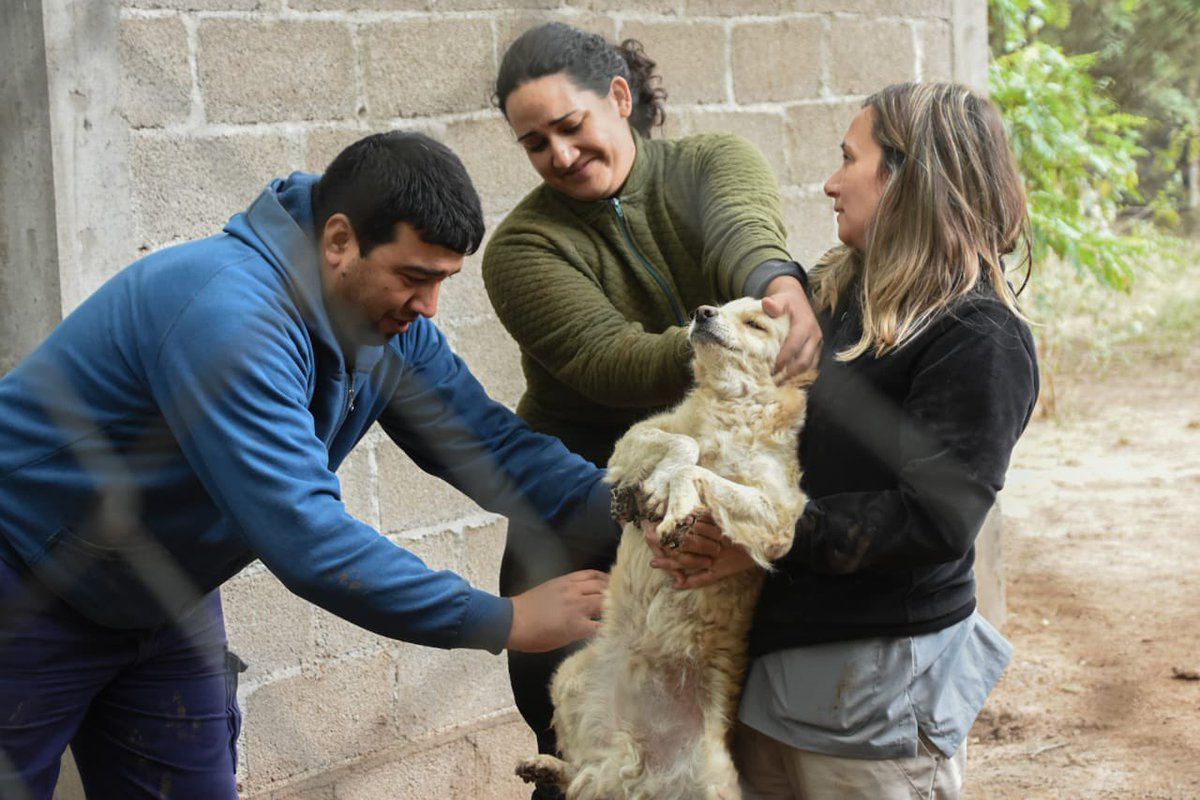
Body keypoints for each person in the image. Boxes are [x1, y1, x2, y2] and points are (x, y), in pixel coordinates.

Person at [0, 131, 619, 800]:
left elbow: (493, 446)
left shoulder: (387, 328)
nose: (429, 306)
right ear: (338, 241)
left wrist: (638, 509)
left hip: (159, 594)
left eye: (442, 280)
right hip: (23, 579)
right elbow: (307, 536)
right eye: (414, 276)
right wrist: (506, 621)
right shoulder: (228, 315)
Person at [653, 81, 1040, 798]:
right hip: (781, 671)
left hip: (875, 690)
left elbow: (934, 519)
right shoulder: (842, 300)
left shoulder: (979, 336)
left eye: (849, 160)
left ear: (908, 178)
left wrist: (758, 535)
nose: (831, 183)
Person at [483, 21, 823, 792]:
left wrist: (778, 287)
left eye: (571, 127)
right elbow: (610, 361)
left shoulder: (710, 163)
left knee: (713, 747)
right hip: (582, 513)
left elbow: (745, 234)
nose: (561, 156)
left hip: (714, 499)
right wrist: (739, 338)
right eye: (536, 144)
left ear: (620, 98)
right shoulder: (521, 249)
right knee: (590, 746)